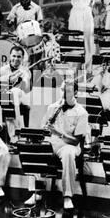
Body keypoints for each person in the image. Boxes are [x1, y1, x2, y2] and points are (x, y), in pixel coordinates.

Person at [25, 79, 89, 210]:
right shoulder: (53, 107)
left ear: (75, 93)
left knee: (68, 154)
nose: (64, 94)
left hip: (69, 145)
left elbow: (76, 141)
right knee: (36, 150)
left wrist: (58, 133)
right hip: (53, 141)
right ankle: (36, 191)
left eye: (68, 91)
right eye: (62, 90)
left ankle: (67, 196)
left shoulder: (82, 112)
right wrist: (45, 130)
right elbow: (44, 128)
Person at [61, 0, 100, 72]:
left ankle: (88, 71)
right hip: (75, 14)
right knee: (74, 40)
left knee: (87, 42)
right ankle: (73, 70)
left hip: (86, 13)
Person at [0, 46, 31, 143]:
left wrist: (23, 78)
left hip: (21, 97)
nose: (16, 59)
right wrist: (8, 78)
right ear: (10, 56)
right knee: (8, 94)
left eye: (18, 57)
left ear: (22, 58)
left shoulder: (26, 71)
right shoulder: (3, 69)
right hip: (7, 97)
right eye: (14, 56)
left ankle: (17, 127)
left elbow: (26, 90)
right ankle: (8, 135)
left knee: (15, 91)